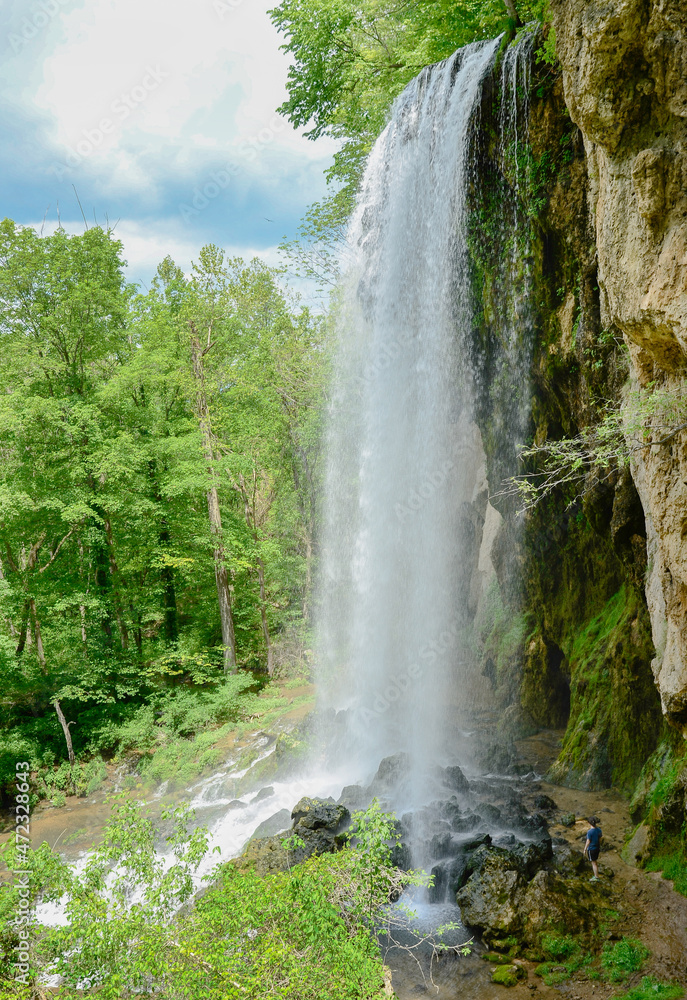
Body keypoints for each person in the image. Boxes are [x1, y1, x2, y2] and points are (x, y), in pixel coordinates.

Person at [584, 816, 603, 881]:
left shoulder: (589, 832)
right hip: (597, 848)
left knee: (593, 863)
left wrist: (585, 849)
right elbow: (600, 839)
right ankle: (596, 875)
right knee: (595, 862)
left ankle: (596, 877)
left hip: (591, 849)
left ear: (589, 823)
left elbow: (588, 841)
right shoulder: (599, 830)